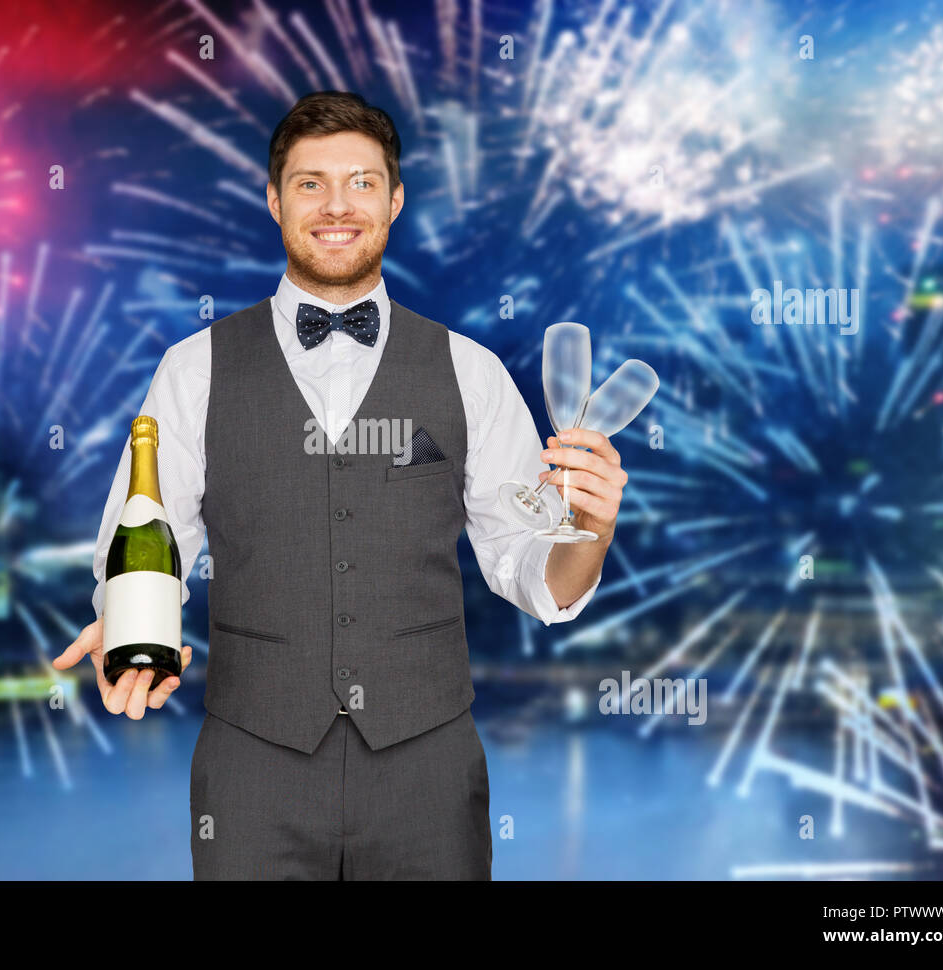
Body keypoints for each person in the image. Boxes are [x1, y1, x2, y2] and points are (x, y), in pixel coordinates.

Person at [53, 90, 627, 879]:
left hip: (429, 770)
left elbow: (536, 579)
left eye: (360, 182)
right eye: (309, 182)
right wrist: (125, 630)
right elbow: (144, 542)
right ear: (274, 200)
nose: (336, 206)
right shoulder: (194, 369)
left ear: (394, 200)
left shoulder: (471, 372)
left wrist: (588, 533)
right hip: (252, 772)